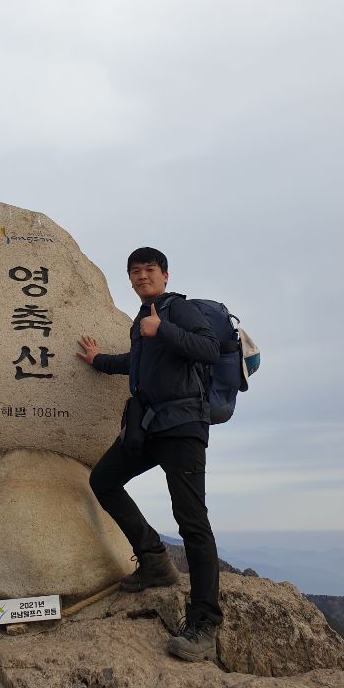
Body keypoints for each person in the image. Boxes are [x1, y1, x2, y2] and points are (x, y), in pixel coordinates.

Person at [77, 247, 223, 662]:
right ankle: (155, 559)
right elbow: (137, 363)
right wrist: (99, 361)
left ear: (165, 274)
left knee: (192, 522)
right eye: (135, 271)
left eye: (149, 269)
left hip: (183, 427)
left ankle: (205, 622)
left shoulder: (179, 309)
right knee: (103, 479)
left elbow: (209, 349)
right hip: (149, 427)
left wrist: (165, 330)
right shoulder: (143, 319)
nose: (142, 276)